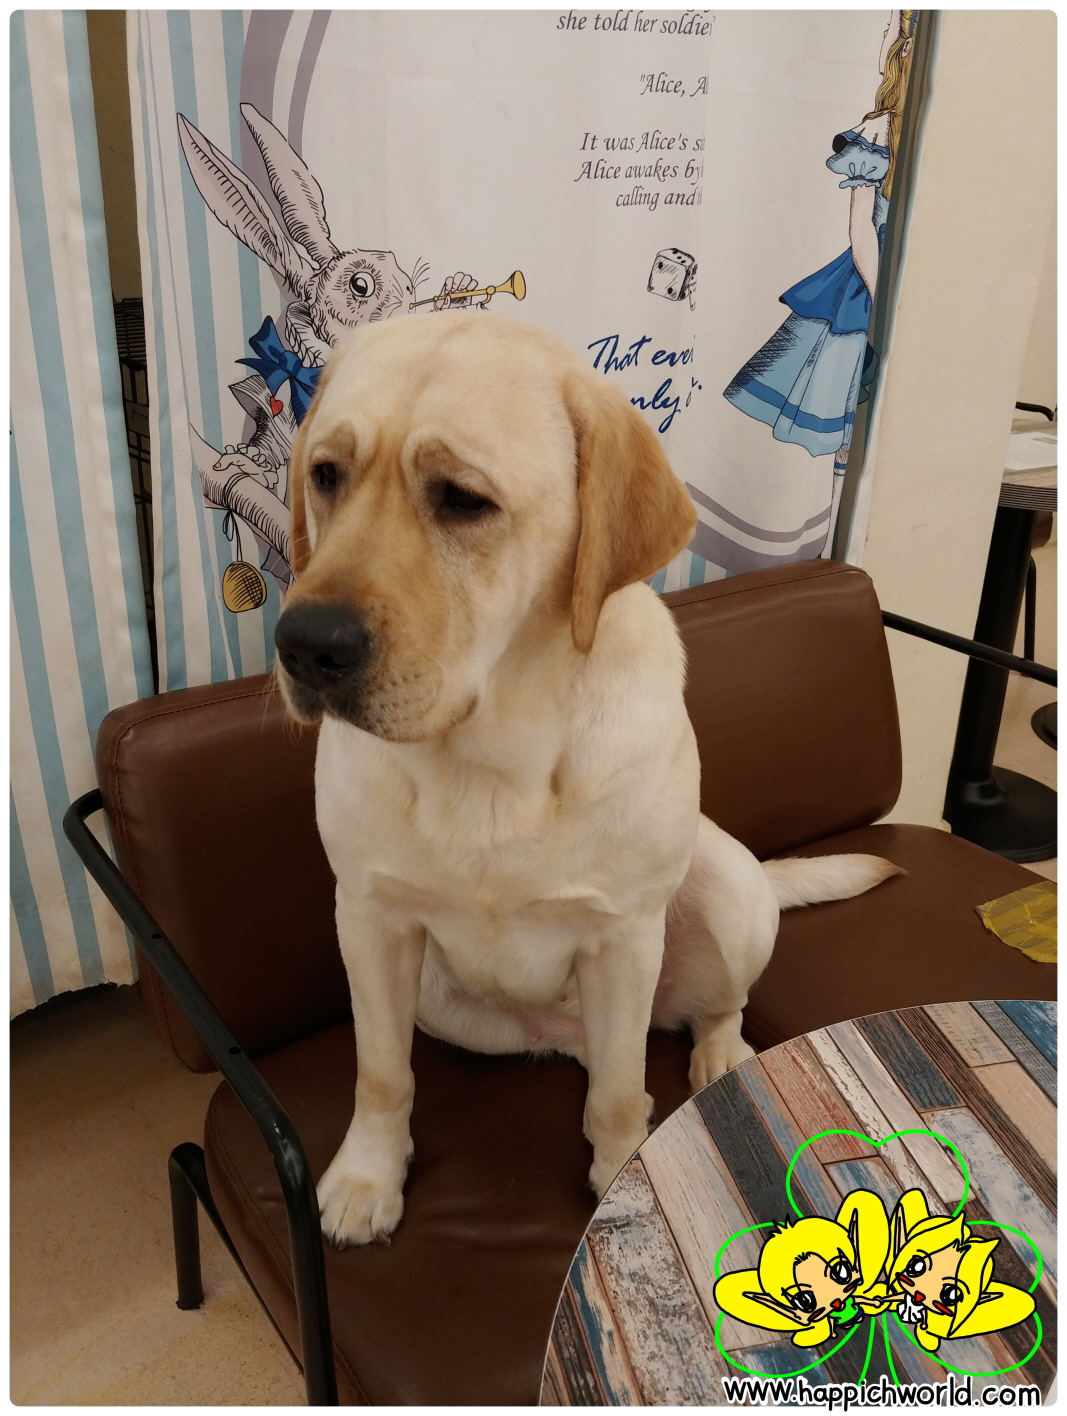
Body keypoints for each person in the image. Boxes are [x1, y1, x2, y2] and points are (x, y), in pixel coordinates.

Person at [723, 11, 917, 518]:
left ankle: (832, 531)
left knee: (866, 423)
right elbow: (860, 231)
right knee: (838, 423)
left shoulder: (927, 130)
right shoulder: (879, 130)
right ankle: (812, 527)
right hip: (864, 287)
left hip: (898, 282)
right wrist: (882, 297)